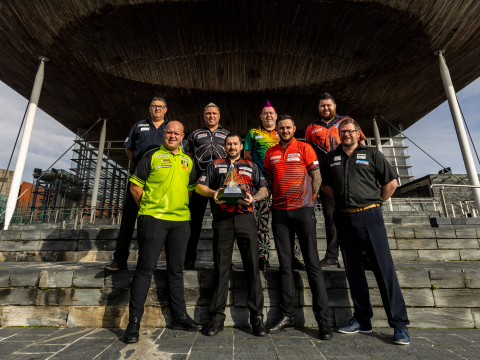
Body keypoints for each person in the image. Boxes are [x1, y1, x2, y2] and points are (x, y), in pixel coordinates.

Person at [321, 119, 410, 345]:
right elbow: (325, 185)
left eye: (350, 131)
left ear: (358, 133)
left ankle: (399, 324)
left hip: (370, 216)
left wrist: (374, 203)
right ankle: (362, 320)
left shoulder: (372, 154)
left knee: (383, 269)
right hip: (343, 217)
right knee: (354, 270)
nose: (347, 134)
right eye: (343, 131)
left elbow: (391, 182)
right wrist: (343, 200)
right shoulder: (331, 158)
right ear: (338, 134)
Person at [123, 121, 202, 343]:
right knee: (144, 269)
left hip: (180, 222)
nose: (172, 136)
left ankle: (180, 316)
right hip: (153, 220)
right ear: (164, 134)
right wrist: (149, 210)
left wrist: (177, 208)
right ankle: (134, 322)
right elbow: (135, 187)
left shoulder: (188, 161)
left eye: (177, 133)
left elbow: (190, 189)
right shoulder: (151, 156)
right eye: (169, 132)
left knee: (176, 271)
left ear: (182, 136)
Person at [264, 115, 333, 340]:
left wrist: (310, 202)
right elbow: (268, 181)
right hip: (280, 214)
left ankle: (323, 319)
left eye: (288, 127)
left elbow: (316, 175)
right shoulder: (270, 153)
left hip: (303, 211)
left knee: (313, 264)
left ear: (294, 129)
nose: (284, 130)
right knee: (285, 266)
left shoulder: (304, 148)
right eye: (281, 128)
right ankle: (286, 316)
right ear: (277, 130)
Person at [196, 133, 268, 337]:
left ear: (240, 146)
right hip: (223, 219)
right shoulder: (215, 164)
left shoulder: (251, 165)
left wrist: (253, 198)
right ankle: (216, 319)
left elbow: (265, 188)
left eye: (236, 143)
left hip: (246, 218)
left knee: (252, 268)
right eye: (229, 144)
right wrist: (214, 193)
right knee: (221, 269)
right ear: (224, 146)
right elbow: (200, 186)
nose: (232, 146)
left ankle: (257, 318)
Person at [105, 97, 169, 271]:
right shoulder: (138, 126)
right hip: (139, 177)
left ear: (165, 110)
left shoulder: (169, 128)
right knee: (128, 219)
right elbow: (129, 149)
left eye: (160, 107)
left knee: (152, 221)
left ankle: (147, 261)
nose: (156, 109)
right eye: (154, 106)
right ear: (149, 109)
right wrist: (140, 166)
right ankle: (119, 260)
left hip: (159, 181)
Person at [305, 93, 366, 268]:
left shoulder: (347, 121)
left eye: (328, 105)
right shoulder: (311, 126)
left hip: (350, 176)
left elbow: (361, 144)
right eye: (322, 106)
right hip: (326, 179)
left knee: (356, 215)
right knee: (331, 219)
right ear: (319, 108)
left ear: (335, 106)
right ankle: (332, 256)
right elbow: (310, 154)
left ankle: (362, 254)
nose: (326, 108)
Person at [244, 101, 304, 270]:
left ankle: (294, 256)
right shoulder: (253, 133)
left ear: (276, 116)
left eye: (271, 113)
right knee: (262, 222)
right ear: (261, 116)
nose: (268, 115)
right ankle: (263, 256)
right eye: (265, 113)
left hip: (283, 185)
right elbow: (248, 156)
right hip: (262, 185)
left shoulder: (283, 133)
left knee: (289, 222)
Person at [184, 103, 230, 269]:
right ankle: (188, 259)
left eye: (214, 113)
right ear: (204, 116)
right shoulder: (194, 134)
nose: (211, 116)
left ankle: (223, 260)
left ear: (219, 115)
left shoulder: (227, 134)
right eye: (208, 113)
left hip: (220, 183)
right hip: (199, 182)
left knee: (222, 222)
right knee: (193, 222)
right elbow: (187, 159)